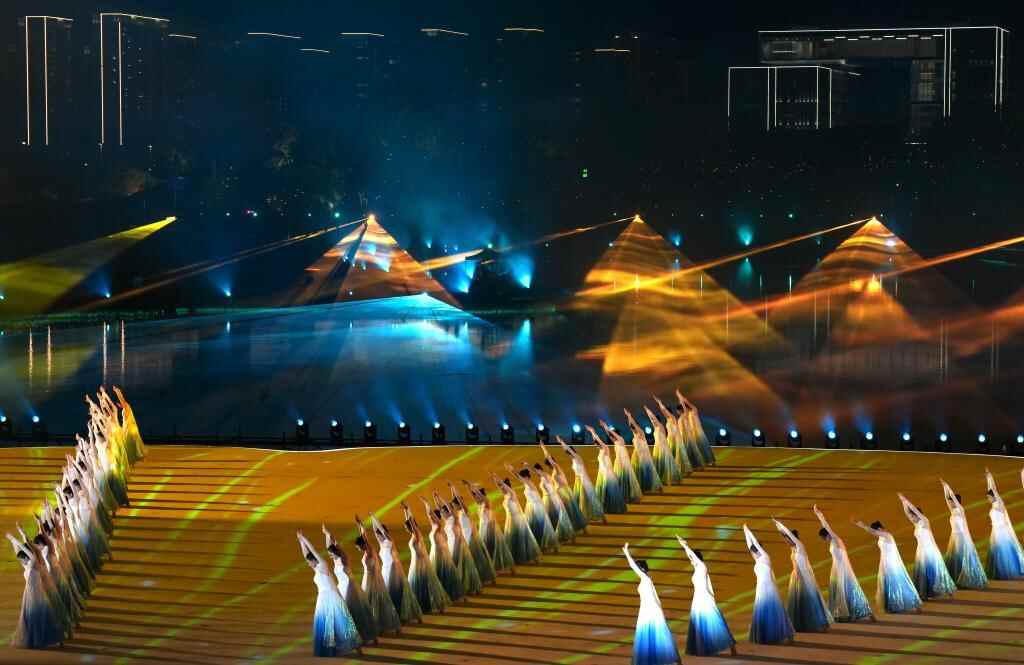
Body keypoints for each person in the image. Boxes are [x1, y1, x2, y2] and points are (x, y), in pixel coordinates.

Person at [296, 530, 362, 657]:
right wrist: (300, 541)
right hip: (322, 599)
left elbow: (313, 551)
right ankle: (332, 648)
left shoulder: (323, 565)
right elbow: (306, 555)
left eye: (309, 562)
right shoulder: (316, 568)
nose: (308, 564)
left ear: (314, 560)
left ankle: (356, 647)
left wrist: (304, 539)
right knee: (327, 626)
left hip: (332, 597)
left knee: (342, 623)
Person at [677, 537, 737, 656]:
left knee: (716, 622)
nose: (691, 560)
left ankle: (731, 646)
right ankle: (706, 647)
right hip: (698, 598)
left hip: (705, 598)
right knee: (701, 623)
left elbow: (693, 557)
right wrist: (685, 548)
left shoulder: (702, 567)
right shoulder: (696, 569)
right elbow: (691, 557)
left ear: (697, 558)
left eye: (692, 558)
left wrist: (685, 546)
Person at [813, 506, 874, 622]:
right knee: (844, 592)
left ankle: (866, 613)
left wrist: (819, 514)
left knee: (850, 590)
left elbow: (826, 526)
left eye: (824, 538)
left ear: (827, 535)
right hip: (838, 569)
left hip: (843, 570)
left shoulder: (835, 539)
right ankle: (850, 614)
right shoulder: (833, 541)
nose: (825, 540)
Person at [623, 543, 682, 665]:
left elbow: (633, 566)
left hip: (650, 610)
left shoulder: (645, 579)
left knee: (658, 636)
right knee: (655, 636)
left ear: (641, 569)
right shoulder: (647, 579)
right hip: (647, 610)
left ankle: (674, 660)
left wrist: (627, 553)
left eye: (638, 568)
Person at [773, 518, 832, 632]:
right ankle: (803, 624)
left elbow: (788, 534)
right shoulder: (793, 548)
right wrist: (778, 528)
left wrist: (780, 524)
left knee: (810, 599)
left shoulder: (799, 545)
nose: (787, 542)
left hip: (805, 576)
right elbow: (785, 536)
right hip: (797, 577)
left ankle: (819, 624)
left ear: (793, 538)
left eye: (789, 540)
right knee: (800, 601)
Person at [323, 525, 378, 645]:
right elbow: (329, 547)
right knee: (347, 614)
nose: (330, 556)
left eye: (331, 554)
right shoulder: (335, 559)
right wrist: (327, 535)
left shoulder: (344, 559)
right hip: (342, 588)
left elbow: (336, 546)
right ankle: (353, 638)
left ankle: (369, 636)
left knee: (357, 612)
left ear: (336, 552)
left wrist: (331, 537)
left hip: (351, 588)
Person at [853, 520, 922, 614]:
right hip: (885, 563)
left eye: (876, 530)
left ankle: (914, 605)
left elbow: (873, 532)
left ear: (879, 528)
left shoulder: (887, 535)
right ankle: (893, 605)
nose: (876, 532)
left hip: (892, 563)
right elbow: (874, 533)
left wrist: (863, 526)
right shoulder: (881, 537)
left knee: (900, 583)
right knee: (889, 584)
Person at [898, 494, 956, 600]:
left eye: (913, 516)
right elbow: (907, 513)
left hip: (930, 551)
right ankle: (925, 593)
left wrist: (906, 500)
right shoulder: (916, 524)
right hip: (921, 551)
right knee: (923, 573)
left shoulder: (924, 521)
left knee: (933, 571)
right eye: (911, 516)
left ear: (917, 515)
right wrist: (903, 502)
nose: (911, 518)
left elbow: (913, 510)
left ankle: (946, 590)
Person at [743, 525, 794, 644]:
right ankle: (767, 636)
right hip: (761, 589)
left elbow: (754, 543)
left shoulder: (765, 557)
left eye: (754, 552)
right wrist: (745, 532)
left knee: (774, 612)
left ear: (758, 549)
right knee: (764, 612)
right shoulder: (757, 559)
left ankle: (782, 635)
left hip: (769, 588)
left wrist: (749, 531)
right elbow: (750, 544)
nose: (753, 554)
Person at [369, 514, 423, 623]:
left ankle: (413, 615)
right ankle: (395, 615)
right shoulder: (381, 543)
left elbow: (381, 530)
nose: (377, 537)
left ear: (383, 533)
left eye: (379, 535)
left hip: (393, 569)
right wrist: (372, 521)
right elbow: (376, 531)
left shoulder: (389, 540)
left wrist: (374, 518)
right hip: (386, 569)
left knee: (398, 591)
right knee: (389, 592)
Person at [399, 503, 451, 614]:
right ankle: (421, 606)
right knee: (419, 584)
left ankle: (438, 605)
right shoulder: (414, 534)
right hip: (415, 562)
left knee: (428, 583)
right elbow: (410, 521)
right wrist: (406, 511)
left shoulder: (417, 534)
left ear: (411, 526)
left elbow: (412, 522)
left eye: (407, 527)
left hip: (421, 562)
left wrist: (408, 512)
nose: (406, 529)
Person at [355, 516, 403, 635]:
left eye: (358, 547)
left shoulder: (370, 550)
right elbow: (363, 536)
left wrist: (369, 521)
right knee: (371, 602)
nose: (358, 549)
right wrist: (359, 526)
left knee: (380, 602)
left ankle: (388, 625)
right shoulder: (367, 550)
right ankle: (374, 625)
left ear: (363, 545)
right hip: (368, 579)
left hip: (374, 579)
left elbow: (365, 537)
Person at [939, 480, 987, 590]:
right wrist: (945, 488)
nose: (950, 503)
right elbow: (946, 498)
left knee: (961, 558)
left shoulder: (961, 510)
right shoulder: (952, 510)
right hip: (954, 537)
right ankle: (956, 578)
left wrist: (948, 487)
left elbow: (951, 497)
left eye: (952, 502)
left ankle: (964, 579)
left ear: (956, 502)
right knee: (955, 558)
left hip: (961, 538)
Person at [435, 491, 483, 595]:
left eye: (443, 512)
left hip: (459, 545)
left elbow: (449, 506)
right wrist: (436, 498)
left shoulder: (454, 518)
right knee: (456, 567)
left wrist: (442, 497)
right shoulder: (446, 520)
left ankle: (472, 587)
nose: (442, 514)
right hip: (451, 545)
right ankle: (461, 586)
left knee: (464, 566)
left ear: (448, 511)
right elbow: (439, 508)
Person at [449, 482, 497, 585]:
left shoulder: (465, 510)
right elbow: (456, 499)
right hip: (466, 536)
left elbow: (459, 500)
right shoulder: (459, 512)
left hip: (471, 536)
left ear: (459, 504)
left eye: (455, 505)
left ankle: (487, 577)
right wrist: (453, 488)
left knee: (478, 558)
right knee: (473, 559)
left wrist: (470, 487)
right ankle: (478, 578)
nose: (454, 507)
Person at [419, 498, 466, 601]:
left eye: (432, 517)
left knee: (447, 573)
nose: (430, 518)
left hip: (441, 553)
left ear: (436, 517)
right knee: (436, 574)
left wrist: (429, 503)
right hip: (434, 553)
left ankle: (457, 594)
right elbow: (429, 514)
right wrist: (427, 504)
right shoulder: (434, 526)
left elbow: (432, 514)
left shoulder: (439, 525)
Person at [464, 481, 516, 574]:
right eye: (476, 496)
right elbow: (472, 495)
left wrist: (474, 488)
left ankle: (511, 567)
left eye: (477, 496)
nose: (476, 497)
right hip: (483, 528)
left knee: (498, 548)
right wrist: (468, 487)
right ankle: (492, 568)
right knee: (487, 549)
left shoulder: (487, 502)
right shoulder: (479, 503)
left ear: (482, 496)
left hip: (491, 527)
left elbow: (481, 497)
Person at [506, 465, 559, 553]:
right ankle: (541, 545)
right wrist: (511, 471)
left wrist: (513, 469)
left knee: (541, 526)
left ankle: (551, 545)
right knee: (534, 526)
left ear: (526, 477)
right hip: (531, 507)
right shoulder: (527, 483)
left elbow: (519, 477)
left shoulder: (530, 484)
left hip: (536, 507)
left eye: (522, 477)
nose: (521, 479)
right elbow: (518, 477)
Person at [491, 473, 541, 565]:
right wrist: (495, 480)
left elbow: (504, 486)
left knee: (523, 537)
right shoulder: (505, 495)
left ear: (507, 487)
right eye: (501, 488)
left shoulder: (512, 494)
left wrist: (499, 479)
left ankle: (534, 558)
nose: (502, 489)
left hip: (517, 519)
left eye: (503, 487)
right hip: (510, 520)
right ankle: (517, 557)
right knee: (513, 538)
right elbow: (500, 487)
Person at [984, 469, 1024, 580]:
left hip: (1002, 531)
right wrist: (988, 478)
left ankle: (1007, 571)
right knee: (997, 552)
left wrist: (990, 477)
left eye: (989, 497)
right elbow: (990, 490)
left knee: (1004, 552)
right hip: (995, 532)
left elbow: (993, 489)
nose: (988, 499)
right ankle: (999, 571)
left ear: (994, 496)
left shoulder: (999, 503)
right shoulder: (993, 505)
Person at [541, 442, 588, 533]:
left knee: (568, 511)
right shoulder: (556, 469)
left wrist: (544, 448)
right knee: (572, 510)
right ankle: (582, 529)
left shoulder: (556, 467)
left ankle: (572, 531)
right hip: (563, 491)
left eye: (548, 465)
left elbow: (549, 458)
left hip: (563, 492)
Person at [558, 436, 606, 524]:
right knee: (581, 500)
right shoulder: (573, 459)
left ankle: (602, 517)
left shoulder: (577, 457)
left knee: (591, 498)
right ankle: (585, 517)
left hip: (584, 481)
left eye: (569, 454)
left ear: (572, 453)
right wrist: (562, 445)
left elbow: (569, 449)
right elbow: (567, 450)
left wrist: (562, 442)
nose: (569, 456)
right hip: (578, 481)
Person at [529, 462, 576, 544]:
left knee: (558, 517)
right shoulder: (543, 477)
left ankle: (569, 535)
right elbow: (536, 472)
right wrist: (528, 467)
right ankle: (557, 537)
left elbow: (538, 472)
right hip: (547, 499)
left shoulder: (545, 475)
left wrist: (528, 466)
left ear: (539, 470)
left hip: (552, 499)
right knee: (552, 518)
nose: (536, 474)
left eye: (536, 471)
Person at [586, 426, 626, 515]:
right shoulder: (601, 450)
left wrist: (593, 431)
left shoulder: (605, 448)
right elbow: (596, 440)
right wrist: (592, 433)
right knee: (603, 491)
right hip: (602, 473)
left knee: (610, 491)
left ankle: (613, 507)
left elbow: (598, 440)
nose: (596, 446)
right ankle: (605, 507)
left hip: (608, 473)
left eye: (596, 444)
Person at [601, 420, 643, 503]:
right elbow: (609, 435)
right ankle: (622, 496)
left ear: (615, 435)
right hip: (618, 462)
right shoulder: (615, 442)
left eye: (612, 436)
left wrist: (607, 428)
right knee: (619, 479)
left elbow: (612, 434)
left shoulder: (621, 439)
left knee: (626, 479)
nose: (611, 438)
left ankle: (629, 496)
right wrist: (604, 427)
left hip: (624, 462)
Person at [624, 409, 662, 494]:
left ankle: (658, 487)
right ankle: (642, 487)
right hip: (637, 455)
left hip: (644, 455)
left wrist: (630, 417)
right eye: (632, 429)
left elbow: (634, 425)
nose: (633, 430)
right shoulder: (635, 434)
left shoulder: (641, 433)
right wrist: (628, 417)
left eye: (634, 428)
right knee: (638, 471)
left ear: (637, 427)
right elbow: (631, 425)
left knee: (648, 471)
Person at [654, 396, 693, 478]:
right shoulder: (668, 419)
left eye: (666, 413)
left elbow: (664, 411)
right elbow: (663, 411)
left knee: (680, 455)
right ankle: (675, 471)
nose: (664, 414)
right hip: (670, 439)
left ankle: (684, 470)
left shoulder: (672, 418)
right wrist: (659, 404)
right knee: (672, 455)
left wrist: (660, 403)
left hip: (676, 439)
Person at [645, 405, 682, 485]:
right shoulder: (655, 428)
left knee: (666, 464)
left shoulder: (660, 426)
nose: (653, 421)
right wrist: (648, 413)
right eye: (652, 421)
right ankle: (660, 480)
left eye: (654, 420)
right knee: (658, 464)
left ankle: (670, 479)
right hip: (657, 448)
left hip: (663, 447)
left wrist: (649, 410)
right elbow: (651, 419)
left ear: (657, 420)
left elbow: (653, 418)